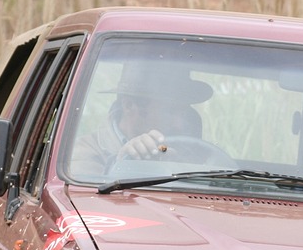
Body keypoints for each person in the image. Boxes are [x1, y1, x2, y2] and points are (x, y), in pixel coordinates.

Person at [71, 59, 232, 177]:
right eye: (169, 111)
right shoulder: (84, 153)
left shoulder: (190, 151)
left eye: (183, 112)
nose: (179, 123)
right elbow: (88, 208)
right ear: (129, 106)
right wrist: (120, 165)